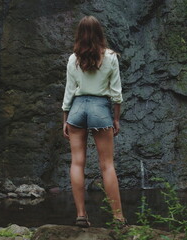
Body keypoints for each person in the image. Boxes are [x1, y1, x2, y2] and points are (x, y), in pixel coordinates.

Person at [62, 15, 127, 228]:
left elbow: (69, 92)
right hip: (100, 108)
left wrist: (65, 118)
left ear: (79, 34)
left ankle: (81, 215)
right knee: (107, 165)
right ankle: (118, 218)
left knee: (77, 162)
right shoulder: (110, 57)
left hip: (77, 108)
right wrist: (115, 118)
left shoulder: (73, 59)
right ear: (100, 33)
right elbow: (116, 93)